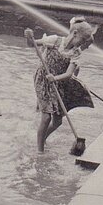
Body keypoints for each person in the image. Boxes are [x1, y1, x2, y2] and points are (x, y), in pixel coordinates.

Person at [24, 18, 95, 152]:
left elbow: (68, 74)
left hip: (58, 82)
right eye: (83, 40)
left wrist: (55, 78)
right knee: (46, 117)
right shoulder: (54, 40)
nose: (83, 44)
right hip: (43, 80)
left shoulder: (76, 53)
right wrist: (29, 37)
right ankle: (40, 151)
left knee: (58, 121)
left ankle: (42, 138)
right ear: (74, 33)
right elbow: (31, 44)